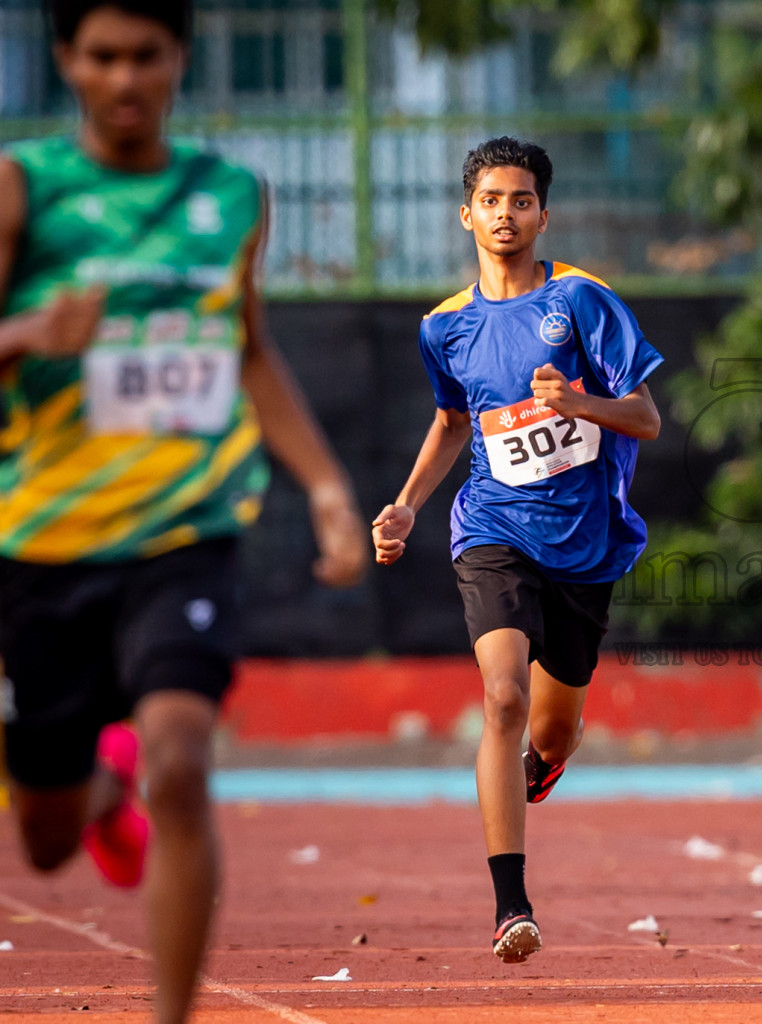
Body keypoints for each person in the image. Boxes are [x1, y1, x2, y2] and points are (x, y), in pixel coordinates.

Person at [0, 3, 369, 1021]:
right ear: (68, 60)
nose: (125, 79)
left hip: (185, 531)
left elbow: (247, 349)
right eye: (104, 57)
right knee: (44, 832)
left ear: (179, 60)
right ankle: (96, 790)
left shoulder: (231, 195)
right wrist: (32, 327)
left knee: (183, 760)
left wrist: (330, 489)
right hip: (44, 539)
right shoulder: (25, 189)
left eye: (146, 57)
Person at [372, 137, 662, 965]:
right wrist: (405, 506)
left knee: (555, 731)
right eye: (491, 200)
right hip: (492, 529)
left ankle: (537, 763)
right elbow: (453, 423)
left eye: (522, 200)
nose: (507, 213)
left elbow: (644, 418)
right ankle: (511, 906)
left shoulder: (582, 303)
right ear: (468, 215)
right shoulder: (445, 327)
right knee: (499, 697)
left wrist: (576, 400)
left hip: (584, 541)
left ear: (544, 212)